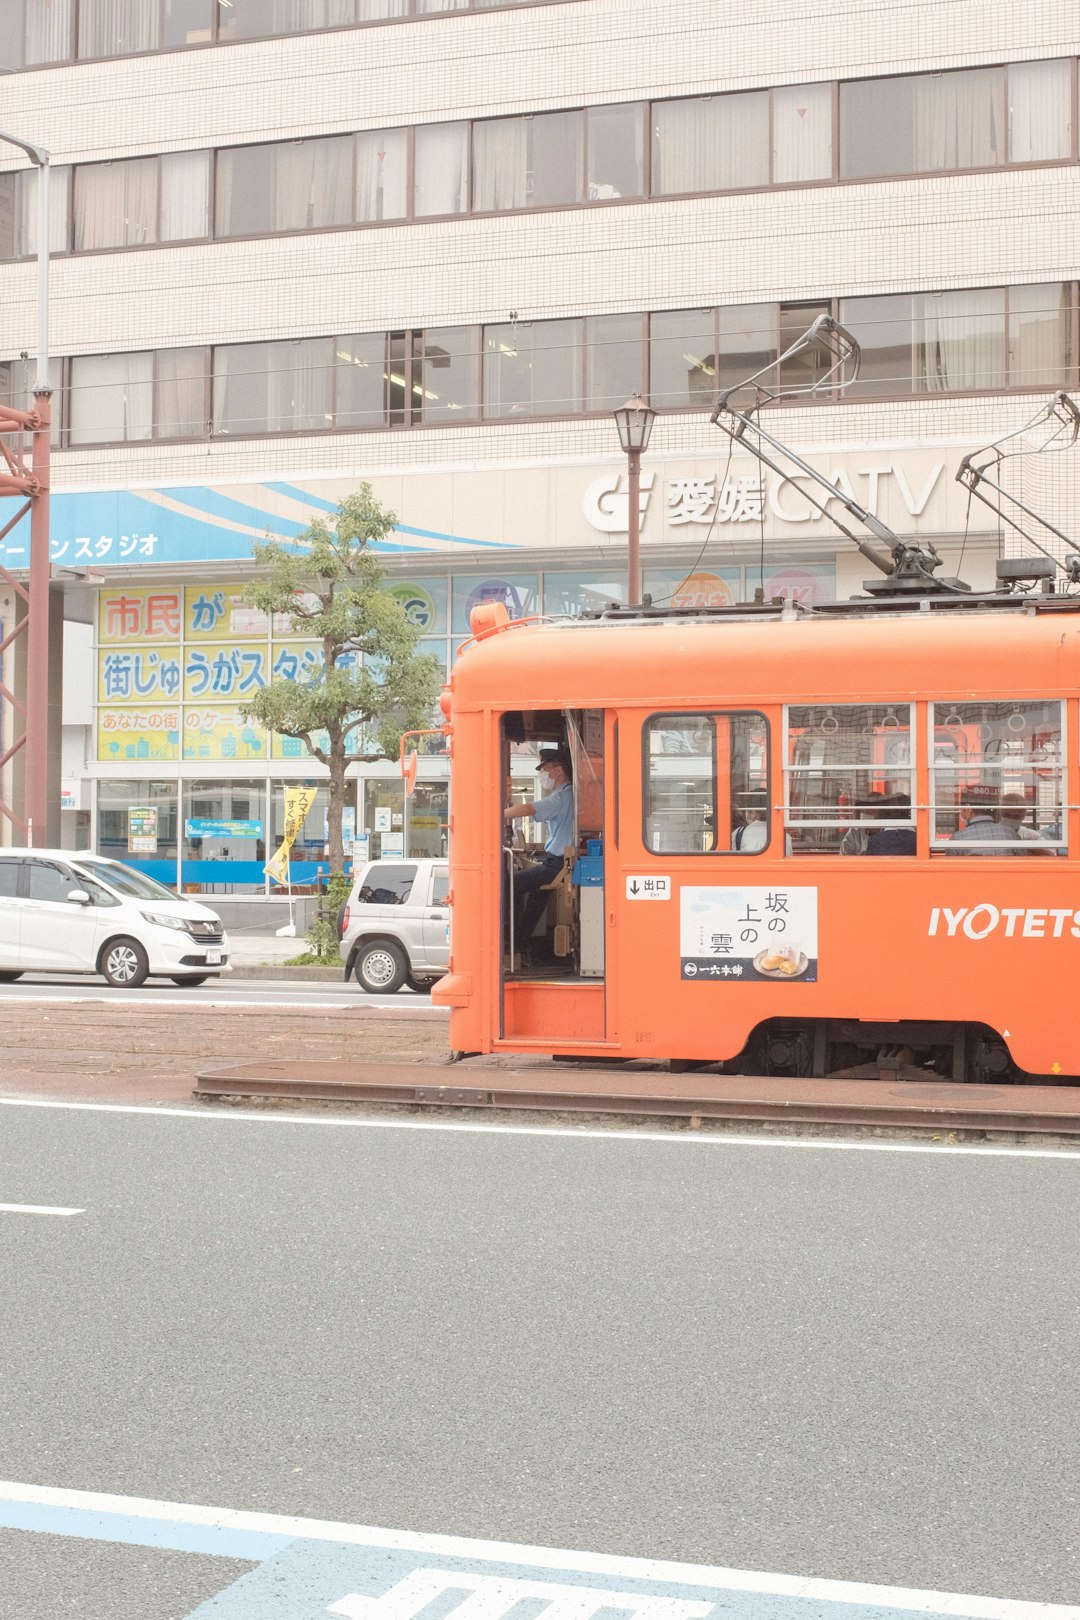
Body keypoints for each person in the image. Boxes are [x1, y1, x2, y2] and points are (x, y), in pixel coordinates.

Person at [504, 750, 574, 958]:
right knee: (537, 897)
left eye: (544, 770)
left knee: (507, 885)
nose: (542, 775)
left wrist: (498, 813)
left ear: (558, 770)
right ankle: (522, 943)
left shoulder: (561, 796)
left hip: (557, 863)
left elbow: (529, 809)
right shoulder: (569, 794)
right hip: (559, 861)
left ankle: (511, 941)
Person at [945, 792, 1022, 853]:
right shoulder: (1011, 834)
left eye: (961, 810)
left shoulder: (957, 839)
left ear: (968, 809)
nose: (960, 813)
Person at [839, 791, 885, 856]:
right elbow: (844, 856)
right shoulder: (854, 832)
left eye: (870, 812)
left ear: (881, 815)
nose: (866, 815)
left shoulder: (888, 833)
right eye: (865, 811)